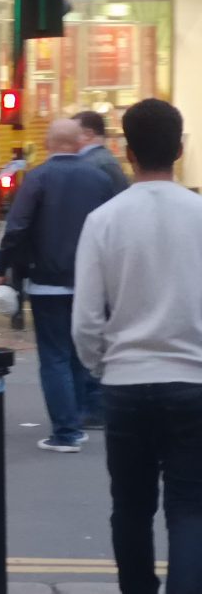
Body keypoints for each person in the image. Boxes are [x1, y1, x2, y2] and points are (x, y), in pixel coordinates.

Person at [72, 99, 202, 594]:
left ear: (127, 152)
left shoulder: (104, 220)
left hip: (126, 383)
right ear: (180, 149)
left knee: (130, 507)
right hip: (193, 380)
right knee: (190, 508)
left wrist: (103, 366)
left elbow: (85, 320)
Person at [0, 119, 113, 453]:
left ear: (48, 143)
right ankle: (78, 417)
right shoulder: (101, 180)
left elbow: (16, 228)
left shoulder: (38, 179)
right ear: (78, 143)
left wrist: (1, 269)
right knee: (77, 355)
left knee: (55, 356)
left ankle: (66, 431)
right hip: (90, 284)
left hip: (47, 282)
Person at [72, 110, 129, 195]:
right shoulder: (104, 160)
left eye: (73, 133)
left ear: (88, 134)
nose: (70, 139)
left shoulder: (97, 163)